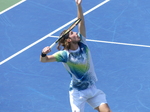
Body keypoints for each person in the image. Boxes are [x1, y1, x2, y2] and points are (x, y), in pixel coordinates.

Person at [40, 0, 111, 112]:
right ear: (68, 39)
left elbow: (80, 22)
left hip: (92, 88)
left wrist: (79, 6)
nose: (76, 33)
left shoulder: (83, 43)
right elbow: (44, 60)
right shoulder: (64, 55)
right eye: (72, 33)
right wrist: (44, 53)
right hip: (78, 93)